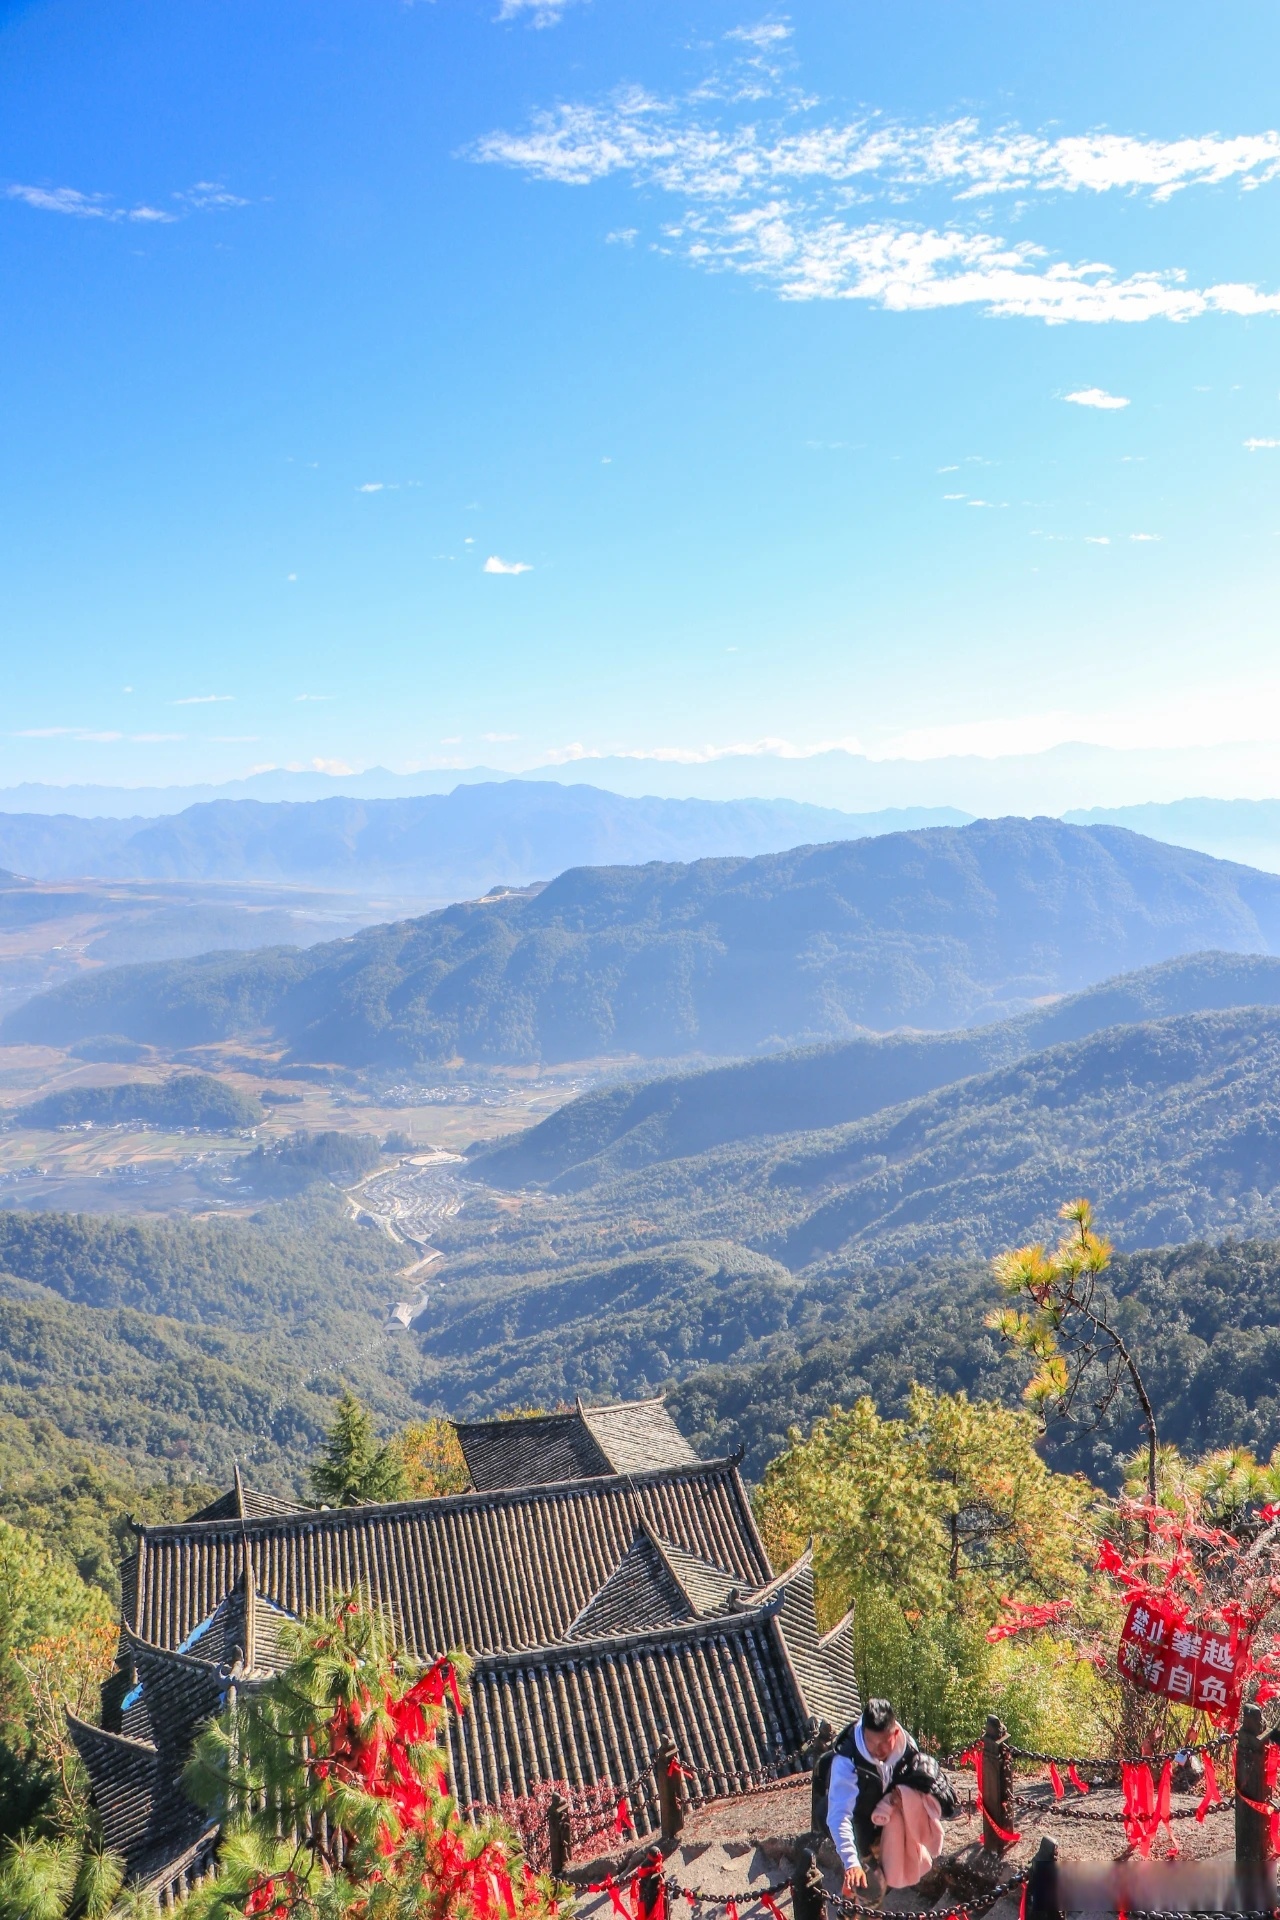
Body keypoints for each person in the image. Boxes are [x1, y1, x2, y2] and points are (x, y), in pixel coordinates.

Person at [824, 1699, 956, 1899]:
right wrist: (851, 1862)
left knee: (883, 1884)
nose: (878, 1750)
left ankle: (851, 1901)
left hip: (889, 1826)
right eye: (871, 1742)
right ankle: (852, 1904)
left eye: (884, 1742)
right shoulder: (847, 1759)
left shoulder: (908, 1748)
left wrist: (913, 1794)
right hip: (859, 1830)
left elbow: (924, 1789)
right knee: (871, 1890)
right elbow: (839, 1815)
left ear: (895, 1733)